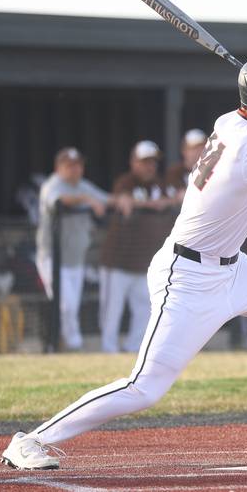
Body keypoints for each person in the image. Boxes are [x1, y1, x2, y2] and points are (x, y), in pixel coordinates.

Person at [2, 54, 247, 469]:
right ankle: (31, 440)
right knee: (145, 388)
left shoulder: (231, 121)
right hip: (188, 277)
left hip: (234, 268)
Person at [99, 140, 175, 353]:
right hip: (118, 260)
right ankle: (108, 350)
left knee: (145, 309)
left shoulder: (161, 185)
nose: (149, 166)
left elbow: (176, 197)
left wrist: (167, 202)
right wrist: (151, 205)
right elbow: (122, 198)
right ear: (133, 162)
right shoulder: (126, 181)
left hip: (145, 262)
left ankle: (133, 350)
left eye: (152, 162)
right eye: (144, 162)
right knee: (111, 311)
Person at [36, 147, 113, 351]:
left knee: (72, 305)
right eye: (69, 165)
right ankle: (71, 344)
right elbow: (59, 201)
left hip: (76, 257)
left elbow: (106, 199)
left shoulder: (83, 186)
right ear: (58, 167)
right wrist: (87, 199)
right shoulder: (52, 185)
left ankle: (64, 344)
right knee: (65, 305)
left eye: (78, 165)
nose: (74, 169)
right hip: (52, 257)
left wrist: (124, 200)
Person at [165, 128, 207, 203]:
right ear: (184, 150)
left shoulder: (214, 170)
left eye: (202, 147)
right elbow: (174, 197)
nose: (199, 152)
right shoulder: (174, 173)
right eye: (194, 148)